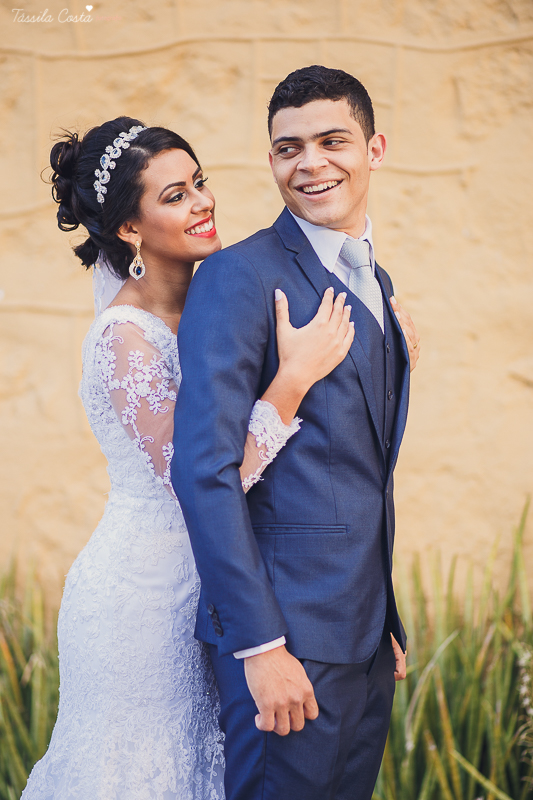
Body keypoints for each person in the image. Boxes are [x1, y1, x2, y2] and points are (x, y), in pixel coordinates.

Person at [21, 117, 361, 800]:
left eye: (199, 183)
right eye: (174, 196)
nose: (203, 203)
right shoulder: (126, 337)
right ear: (128, 230)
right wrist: (292, 380)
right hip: (143, 596)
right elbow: (199, 476)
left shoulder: (213, 306)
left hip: (216, 584)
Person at [172, 65, 420, 800]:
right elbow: (205, 470)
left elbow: (357, 465)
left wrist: (383, 618)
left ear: (373, 149)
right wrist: (259, 645)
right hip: (283, 640)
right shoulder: (237, 278)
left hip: (362, 635)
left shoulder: (376, 281)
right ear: (271, 160)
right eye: (287, 148)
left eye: (331, 140)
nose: (310, 163)